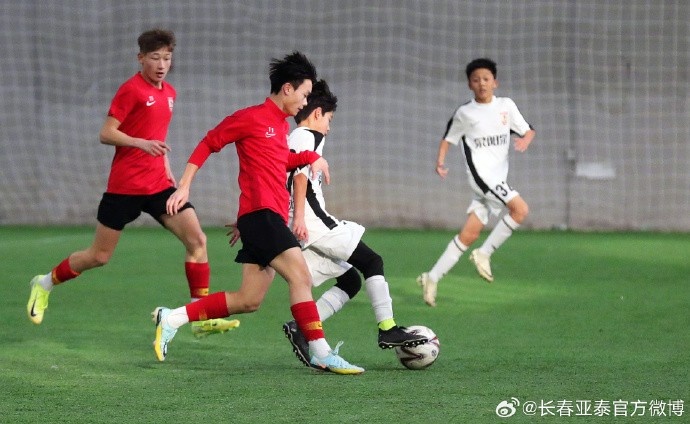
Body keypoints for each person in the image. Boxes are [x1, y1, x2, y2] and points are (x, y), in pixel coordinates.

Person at [154, 52, 364, 375]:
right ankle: (321, 353)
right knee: (301, 277)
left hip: (262, 219)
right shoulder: (251, 117)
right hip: (262, 218)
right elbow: (209, 142)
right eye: (305, 94)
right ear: (287, 89)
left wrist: (310, 158)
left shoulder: (280, 127)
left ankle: (172, 318)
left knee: (248, 300)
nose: (305, 102)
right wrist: (184, 186)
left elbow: (280, 163)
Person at [26, 28, 238, 337]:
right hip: (124, 188)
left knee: (197, 240)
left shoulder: (170, 93)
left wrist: (166, 168)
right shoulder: (131, 90)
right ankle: (44, 283)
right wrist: (140, 143)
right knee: (99, 256)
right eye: (155, 58)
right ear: (141, 58)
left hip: (158, 186)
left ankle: (199, 315)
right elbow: (106, 133)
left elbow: (158, 137)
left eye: (167, 58)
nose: (162, 64)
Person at [280, 80, 428, 368]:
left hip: (304, 226)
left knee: (350, 280)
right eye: (329, 119)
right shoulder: (307, 136)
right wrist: (298, 218)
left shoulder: (297, 137)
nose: (329, 127)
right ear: (317, 113)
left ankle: (301, 327)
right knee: (372, 261)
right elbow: (299, 176)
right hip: (313, 224)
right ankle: (388, 329)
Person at [417, 58, 535, 307]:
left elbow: (528, 129)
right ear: (469, 85)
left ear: (495, 82)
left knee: (469, 235)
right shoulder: (465, 113)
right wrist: (440, 162)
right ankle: (484, 253)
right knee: (520, 209)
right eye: (476, 80)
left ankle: (432, 277)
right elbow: (448, 139)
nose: (481, 83)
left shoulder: (506, 106)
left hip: (497, 177)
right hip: (482, 176)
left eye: (486, 79)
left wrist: (526, 139)